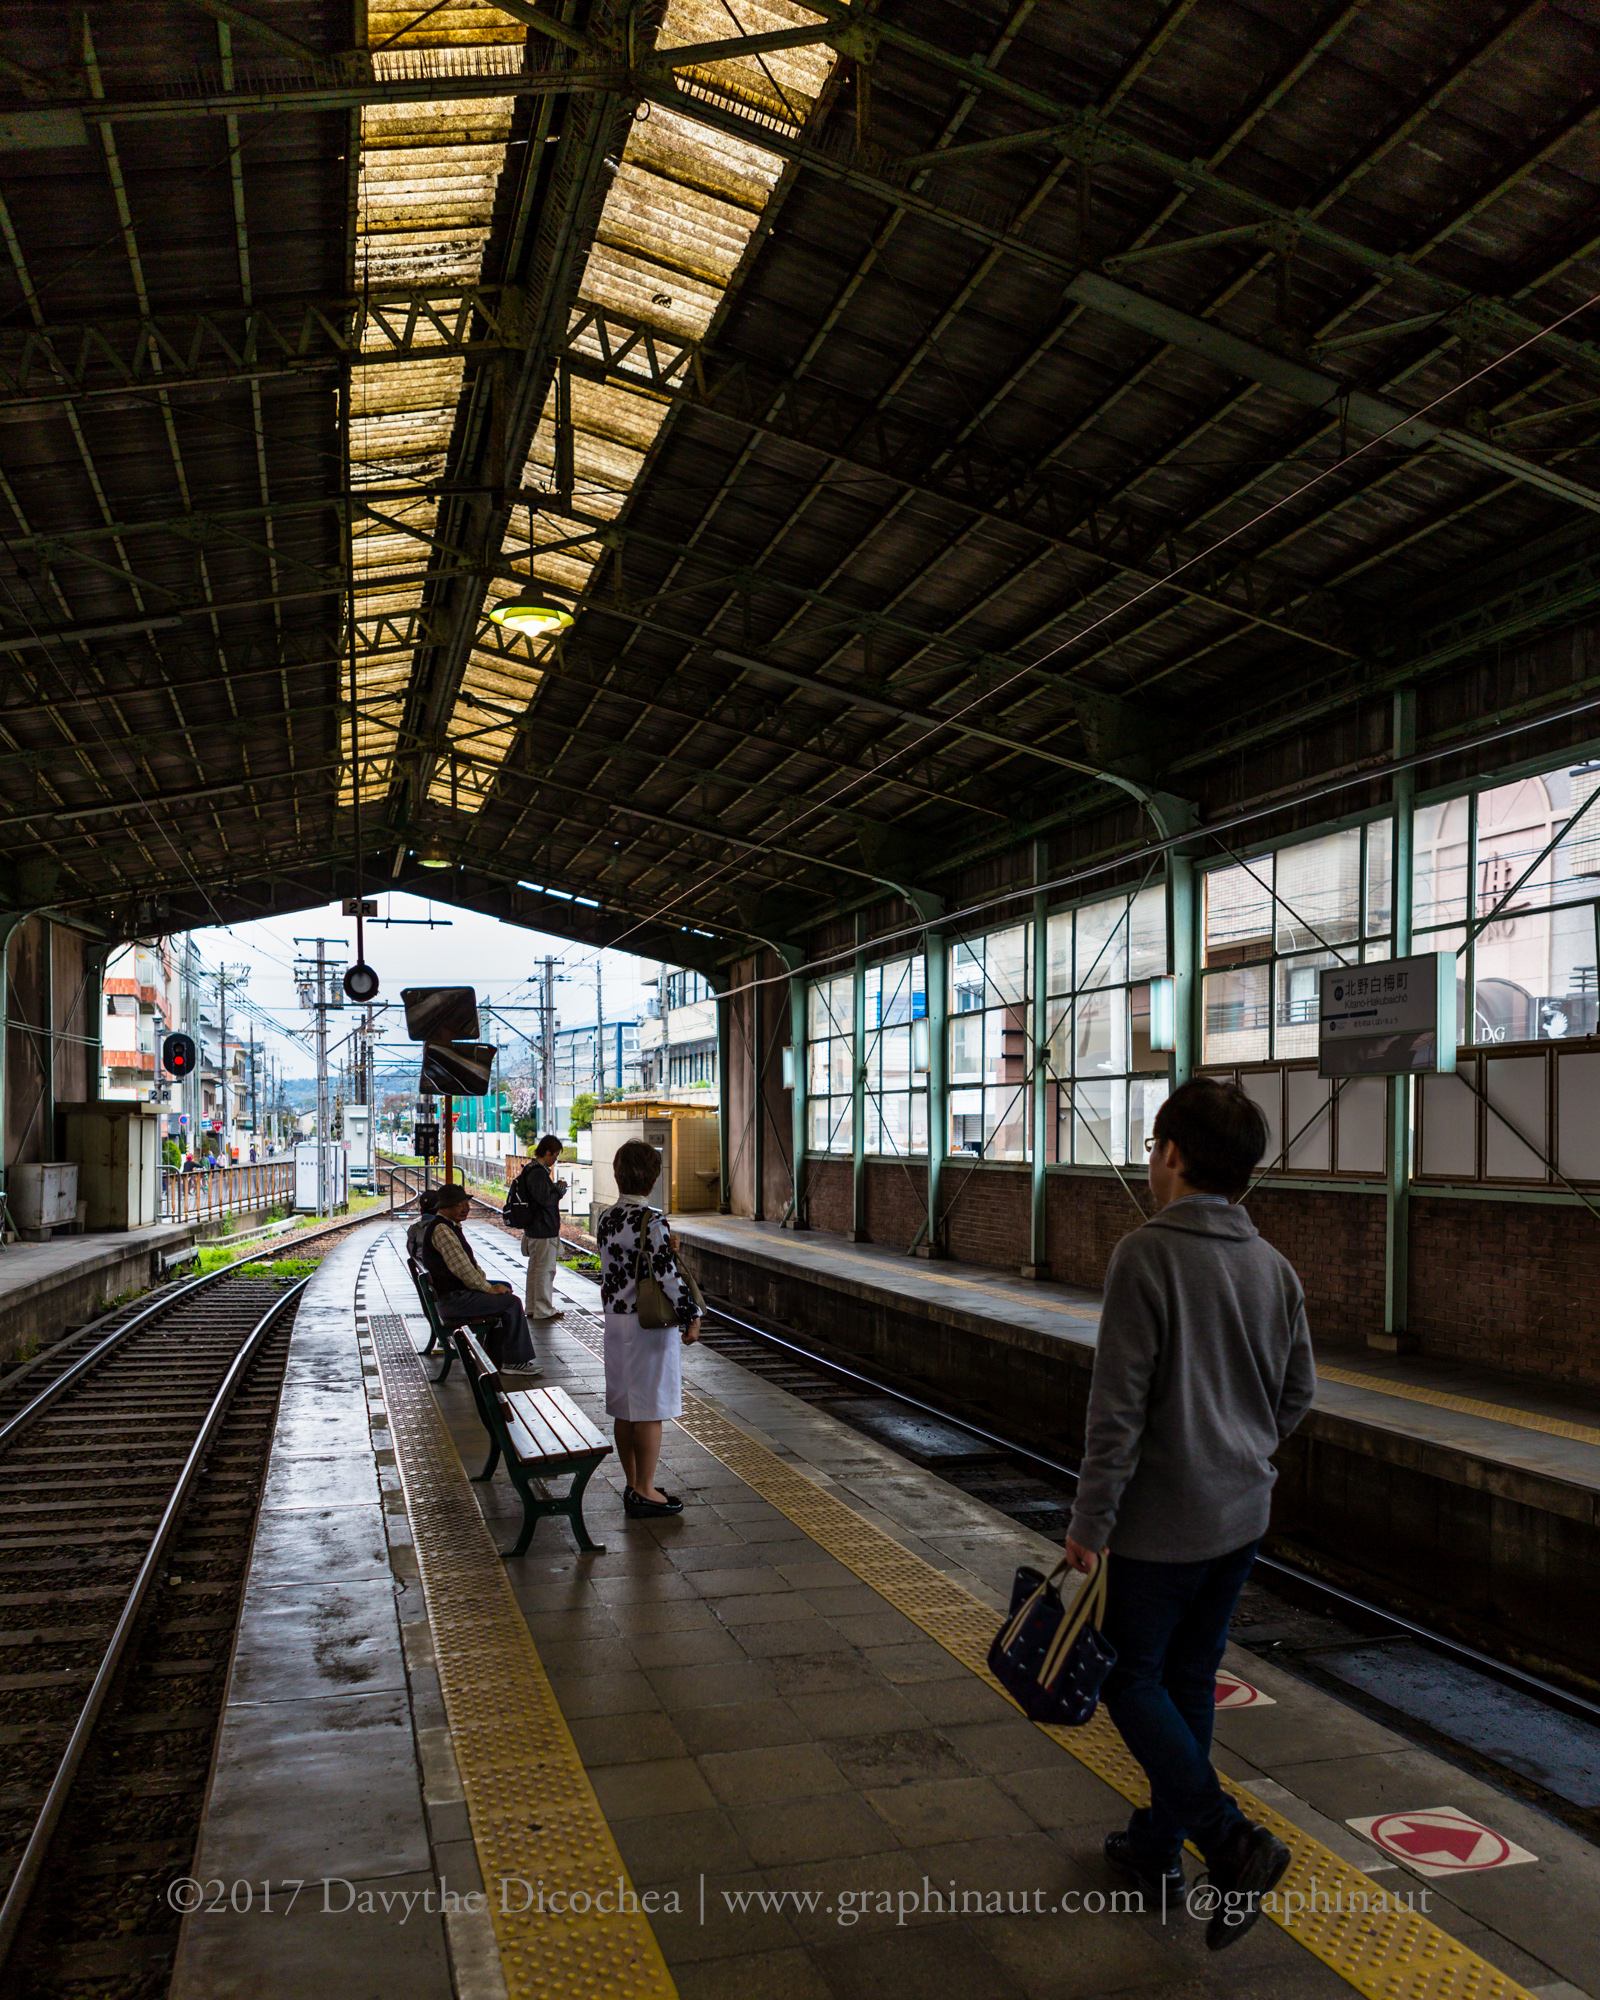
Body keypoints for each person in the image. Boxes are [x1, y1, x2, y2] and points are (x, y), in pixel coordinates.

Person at [1062, 1077, 1315, 1951]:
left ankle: (1227, 1838)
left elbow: (1117, 1411)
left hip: (1159, 1528)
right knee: (1189, 1680)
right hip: (1240, 1519)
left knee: (1130, 1679)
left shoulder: (1147, 1254)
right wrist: (1243, 1450)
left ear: (1171, 1154)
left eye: (1151, 1147)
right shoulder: (1273, 1268)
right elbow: (1298, 1393)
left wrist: (1090, 1524)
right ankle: (1156, 1849)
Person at [595, 1140, 701, 1518]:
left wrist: (662, 1247)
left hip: (615, 1319)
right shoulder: (651, 1220)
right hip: (647, 1324)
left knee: (625, 1408)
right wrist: (691, 1314)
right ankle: (646, 1489)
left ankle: (632, 1482)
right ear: (653, 1178)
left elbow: (623, 1260)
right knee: (650, 1408)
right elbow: (666, 1276)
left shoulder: (607, 1217)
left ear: (617, 1173)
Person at [417, 1185, 542, 1378]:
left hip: (451, 1294)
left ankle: (496, 1357)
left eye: (466, 1203)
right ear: (443, 1208)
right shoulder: (442, 1229)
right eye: (458, 1205)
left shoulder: (447, 1225)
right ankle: (515, 1361)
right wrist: (488, 1289)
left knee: (505, 1288)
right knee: (512, 1302)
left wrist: (488, 1285)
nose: (465, 1208)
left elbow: (468, 1265)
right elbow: (463, 1270)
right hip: (452, 1300)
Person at [512, 1135, 568, 1325]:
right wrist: (560, 1189)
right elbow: (546, 1200)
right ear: (547, 1152)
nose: (556, 1159)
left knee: (535, 1271)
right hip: (542, 1229)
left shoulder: (530, 1170)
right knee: (545, 1271)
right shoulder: (538, 1173)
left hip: (535, 1228)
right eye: (555, 1155)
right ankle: (543, 1308)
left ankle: (533, 1307)